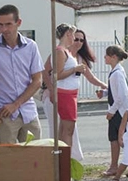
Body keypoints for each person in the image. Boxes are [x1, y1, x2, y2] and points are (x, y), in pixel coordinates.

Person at [0, 4, 44, 144]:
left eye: (8, 24)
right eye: (1, 25)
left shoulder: (31, 46)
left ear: (18, 23)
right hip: (4, 115)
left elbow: (37, 80)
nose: (4, 29)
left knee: (35, 159)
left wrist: (16, 104)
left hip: (28, 112)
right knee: (8, 161)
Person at [43, 24, 106, 158]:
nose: (75, 40)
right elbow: (57, 75)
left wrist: (103, 85)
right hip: (65, 93)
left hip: (70, 93)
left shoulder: (65, 51)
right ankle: (65, 160)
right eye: (73, 35)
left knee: (64, 129)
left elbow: (90, 77)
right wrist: (74, 69)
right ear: (68, 34)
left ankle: (63, 160)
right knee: (68, 129)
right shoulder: (60, 51)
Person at [103, 46, 128, 177]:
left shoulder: (117, 74)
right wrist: (104, 93)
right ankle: (114, 165)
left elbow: (122, 95)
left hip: (119, 112)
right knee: (114, 138)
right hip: (117, 111)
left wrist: (112, 111)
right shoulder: (116, 72)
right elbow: (114, 91)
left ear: (113, 57)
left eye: (106, 55)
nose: (104, 57)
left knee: (122, 139)